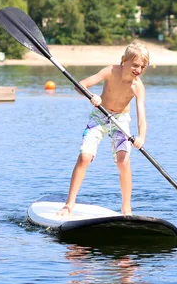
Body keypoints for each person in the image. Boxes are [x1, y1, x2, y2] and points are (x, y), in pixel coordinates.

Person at [58, 41, 150, 217]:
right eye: (135, 65)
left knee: (123, 162)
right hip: (100, 116)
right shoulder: (111, 71)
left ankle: (126, 209)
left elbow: (141, 116)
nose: (138, 70)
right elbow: (80, 85)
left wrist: (141, 137)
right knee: (85, 157)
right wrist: (91, 95)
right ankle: (69, 204)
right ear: (124, 60)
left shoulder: (138, 87)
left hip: (120, 121)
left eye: (142, 67)